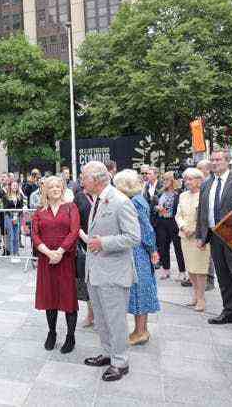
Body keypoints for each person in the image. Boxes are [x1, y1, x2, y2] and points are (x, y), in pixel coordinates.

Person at [82, 161, 140, 382]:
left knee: (115, 319)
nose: (82, 181)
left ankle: (120, 362)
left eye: (85, 177)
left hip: (113, 273)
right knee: (102, 319)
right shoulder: (97, 198)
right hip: (96, 272)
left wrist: (103, 243)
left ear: (96, 179)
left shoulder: (120, 201)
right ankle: (107, 353)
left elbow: (134, 237)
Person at [32, 176, 80, 354]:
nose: (54, 189)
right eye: (51, 186)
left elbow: (74, 231)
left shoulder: (70, 207)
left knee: (68, 298)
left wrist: (59, 251)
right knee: (49, 297)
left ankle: (70, 336)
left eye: (58, 186)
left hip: (65, 259)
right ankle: (51, 333)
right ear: (45, 190)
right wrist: (48, 252)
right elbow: (35, 235)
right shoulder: (39, 211)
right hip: (47, 260)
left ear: (63, 188)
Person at [114, 170, 160, 346]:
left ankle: (141, 331)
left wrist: (152, 249)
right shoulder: (135, 199)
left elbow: (146, 229)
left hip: (138, 252)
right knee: (138, 290)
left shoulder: (135, 201)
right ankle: (140, 330)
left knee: (140, 291)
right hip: (136, 251)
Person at [196, 150, 232, 324]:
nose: (214, 162)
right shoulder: (206, 184)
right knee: (223, 276)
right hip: (214, 236)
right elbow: (202, 211)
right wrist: (200, 235)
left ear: (227, 161)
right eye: (212, 160)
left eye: (218, 159)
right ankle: (229, 312)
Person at [176, 167, 210, 312]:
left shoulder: (205, 195)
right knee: (190, 268)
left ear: (199, 181)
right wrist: (183, 227)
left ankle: (201, 299)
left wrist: (195, 230)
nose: (187, 182)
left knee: (200, 269)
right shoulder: (183, 195)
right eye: (186, 179)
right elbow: (178, 215)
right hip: (185, 236)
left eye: (190, 179)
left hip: (199, 238)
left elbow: (206, 217)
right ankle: (195, 296)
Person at [155, 172, 185, 280]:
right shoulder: (161, 193)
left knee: (178, 247)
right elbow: (155, 206)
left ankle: (182, 271)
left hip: (174, 222)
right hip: (162, 221)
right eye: (163, 180)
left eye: (166, 180)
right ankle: (166, 270)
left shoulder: (179, 193)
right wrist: (157, 208)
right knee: (163, 247)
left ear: (172, 181)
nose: (164, 182)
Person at [73, 175, 95, 328]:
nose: (82, 181)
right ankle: (91, 314)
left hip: (103, 244)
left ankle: (103, 315)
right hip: (84, 244)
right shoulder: (79, 197)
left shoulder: (105, 195)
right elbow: (74, 221)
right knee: (88, 281)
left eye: (85, 178)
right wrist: (84, 237)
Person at [191, 159, 215, 291]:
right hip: (200, 223)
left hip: (211, 225)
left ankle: (210, 279)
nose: (197, 170)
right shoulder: (200, 183)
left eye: (200, 168)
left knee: (209, 254)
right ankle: (197, 278)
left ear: (207, 169)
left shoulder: (211, 182)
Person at [3, 180, 26, 263]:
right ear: (10, 186)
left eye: (16, 185)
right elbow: (5, 208)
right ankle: (12, 253)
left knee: (16, 235)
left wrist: (17, 215)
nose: (15, 187)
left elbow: (21, 207)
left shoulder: (20, 196)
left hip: (18, 218)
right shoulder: (6, 196)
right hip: (9, 217)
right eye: (13, 185)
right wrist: (12, 216)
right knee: (11, 235)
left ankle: (16, 253)